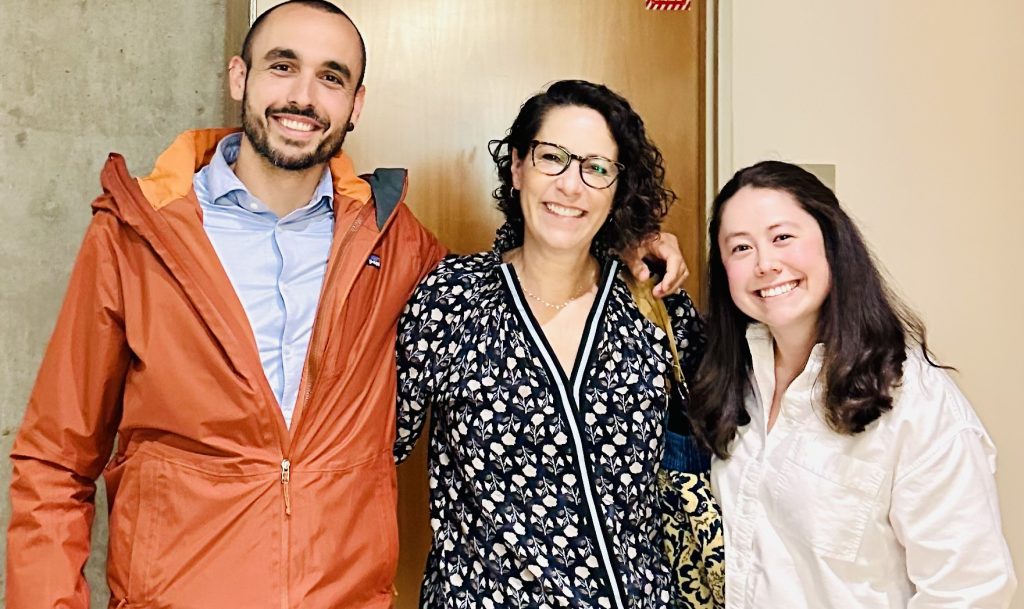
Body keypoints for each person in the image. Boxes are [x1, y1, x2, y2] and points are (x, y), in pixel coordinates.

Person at [5, 3, 688, 608]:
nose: (304, 95)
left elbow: (525, 281)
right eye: (283, 66)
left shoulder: (395, 245)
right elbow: (54, 462)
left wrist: (624, 245)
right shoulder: (137, 235)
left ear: (356, 103)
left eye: (331, 77)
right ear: (239, 77)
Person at [393, 79, 706, 608]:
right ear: (517, 167)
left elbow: (741, 431)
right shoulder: (450, 295)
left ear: (617, 189)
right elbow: (372, 447)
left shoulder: (652, 302)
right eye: (552, 158)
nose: (571, 186)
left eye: (597, 168)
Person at [691, 160, 1017, 608]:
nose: (766, 264)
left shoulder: (914, 402)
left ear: (832, 242)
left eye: (782, 237)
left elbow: (969, 593)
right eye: (741, 248)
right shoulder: (732, 379)